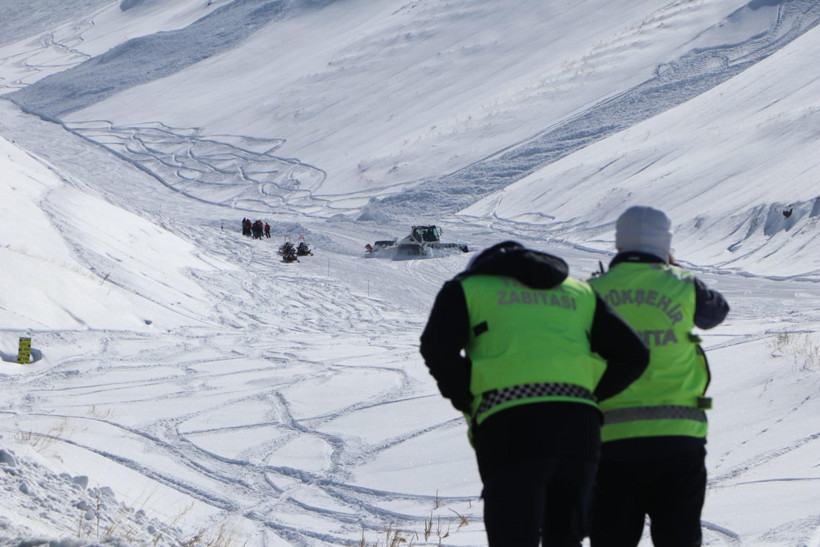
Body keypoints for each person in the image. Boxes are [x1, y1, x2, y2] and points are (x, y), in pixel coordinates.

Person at [420, 241, 650, 546]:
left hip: (509, 427)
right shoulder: (579, 293)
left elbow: (436, 348)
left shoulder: (467, 288)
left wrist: (468, 399)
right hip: (579, 431)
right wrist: (589, 397)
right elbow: (635, 354)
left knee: (513, 535)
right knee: (566, 538)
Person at [587, 206, 729, 547]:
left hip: (610, 442)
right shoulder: (683, 285)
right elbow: (716, 313)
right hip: (679, 439)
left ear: (619, 243)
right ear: (665, 244)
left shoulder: (590, 291)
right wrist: (674, 269)